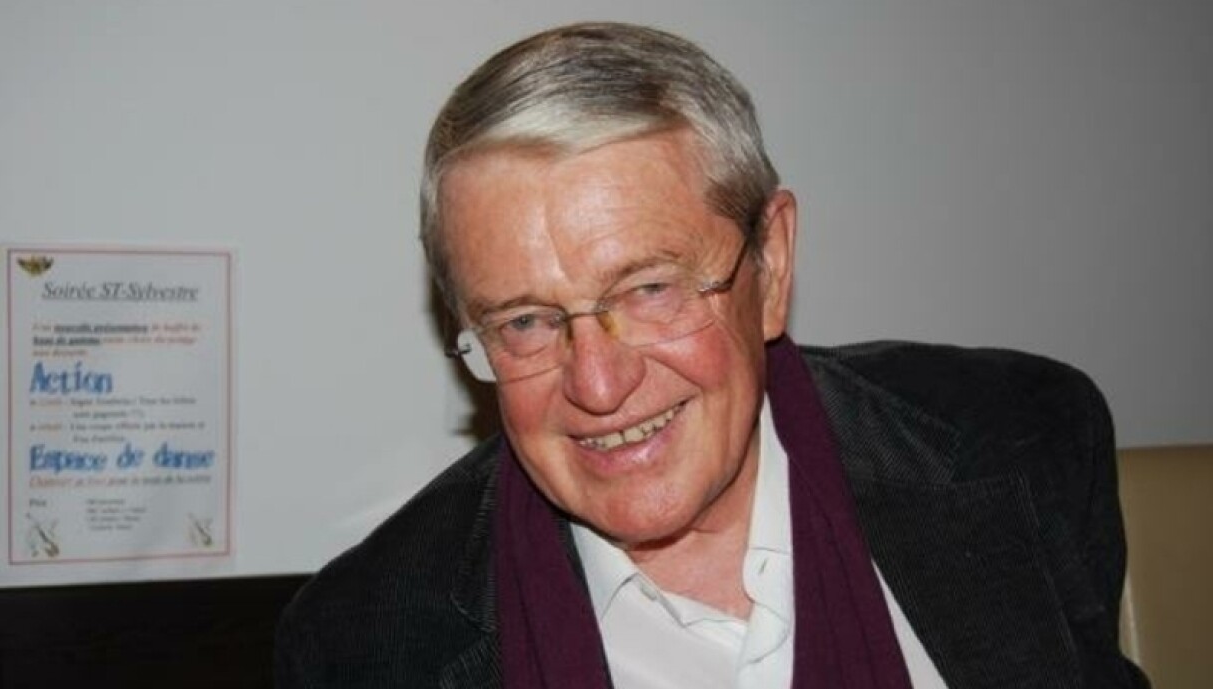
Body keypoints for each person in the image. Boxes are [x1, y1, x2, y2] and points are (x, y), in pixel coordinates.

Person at [276, 22, 1147, 688]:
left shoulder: (1022, 439)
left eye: (651, 288)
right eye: (527, 322)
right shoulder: (360, 644)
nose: (599, 385)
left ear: (772, 264)